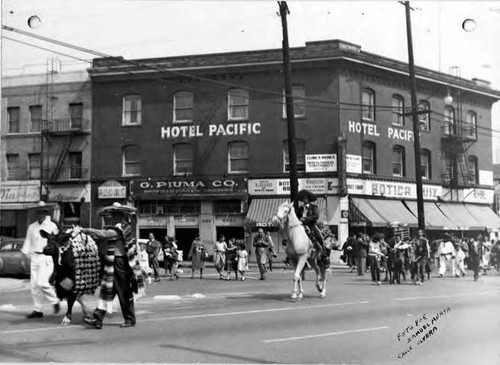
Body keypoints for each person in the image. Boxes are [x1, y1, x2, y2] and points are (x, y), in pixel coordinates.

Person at [82, 202, 144, 329]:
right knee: (108, 291)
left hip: (120, 262)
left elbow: (104, 235)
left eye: (114, 215)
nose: (111, 217)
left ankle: (130, 319)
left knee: (123, 291)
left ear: (119, 215)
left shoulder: (121, 227)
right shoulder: (117, 226)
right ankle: (98, 318)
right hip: (113, 262)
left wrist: (85, 230)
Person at [21, 202, 61, 319]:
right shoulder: (32, 227)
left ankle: (55, 301)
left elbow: (58, 242)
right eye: (39, 212)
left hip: (46, 258)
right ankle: (38, 310)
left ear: (46, 213)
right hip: (34, 258)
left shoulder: (52, 226)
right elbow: (27, 243)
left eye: (44, 212)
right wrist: (23, 259)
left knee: (42, 282)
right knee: (34, 286)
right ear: (36, 214)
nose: (41, 215)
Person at [297, 189, 330, 265]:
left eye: (306, 198)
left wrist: (306, 219)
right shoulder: (301, 208)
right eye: (303, 199)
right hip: (301, 225)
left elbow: (316, 216)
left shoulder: (313, 207)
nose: (305, 200)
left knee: (319, 236)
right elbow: (297, 216)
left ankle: (324, 254)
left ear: (308, 199)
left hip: (311, 225)